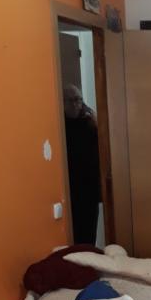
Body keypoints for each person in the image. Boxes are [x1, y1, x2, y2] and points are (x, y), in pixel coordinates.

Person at [63, 85, 101, 244]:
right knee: (74, 235)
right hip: (71, 189)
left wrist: (96, 122)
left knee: (89, 233)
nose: (75, 104)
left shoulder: (89, 122)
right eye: (70, 100)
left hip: (90, 189)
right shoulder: (60, 126)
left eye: (78, 100)